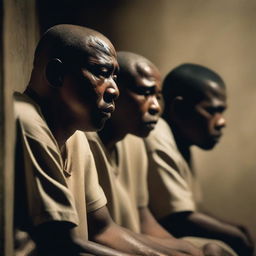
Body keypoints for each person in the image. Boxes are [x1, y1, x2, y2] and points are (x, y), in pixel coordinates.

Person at [14, 24, 182, 256]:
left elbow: (104, 229)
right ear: (56, 74)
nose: (114, 90)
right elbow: (62, 245)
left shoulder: (77, 135)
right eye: (102, 73)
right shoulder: (25, 119)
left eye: (114, 76)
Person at [86, 52, 233, 256]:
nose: (155, 107)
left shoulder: (135, 140)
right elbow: (100, 233)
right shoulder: (84, 143)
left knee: (214, 250)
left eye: (158, 96)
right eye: (144, 92)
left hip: (133, 242)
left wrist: (188, 250)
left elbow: (143, 218)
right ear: (113, 92)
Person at [144, 63, 254, 256]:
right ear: (178, 109)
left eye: (222, 111)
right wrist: (235, 235)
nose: (221, 122)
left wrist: (235, 228)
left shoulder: (182, 142)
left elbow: (192, 207)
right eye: (211, 111)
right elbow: (177, 219)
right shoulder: (157, 137)